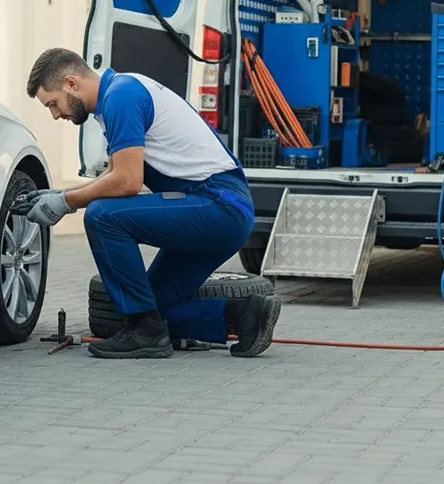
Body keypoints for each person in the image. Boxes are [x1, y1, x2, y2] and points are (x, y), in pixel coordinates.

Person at [15, 47, 280, 359]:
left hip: (218, 204)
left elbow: (127, 182)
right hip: (214, 205)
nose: (56, 114)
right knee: (153, 305)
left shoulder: (121, 97)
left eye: (53, 104)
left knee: (102, 218)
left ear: (71, 83)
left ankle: (147, 336)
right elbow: (114, 177)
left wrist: (67, 202)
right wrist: (58, 195)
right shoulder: (118, 95)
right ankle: (245, 314)